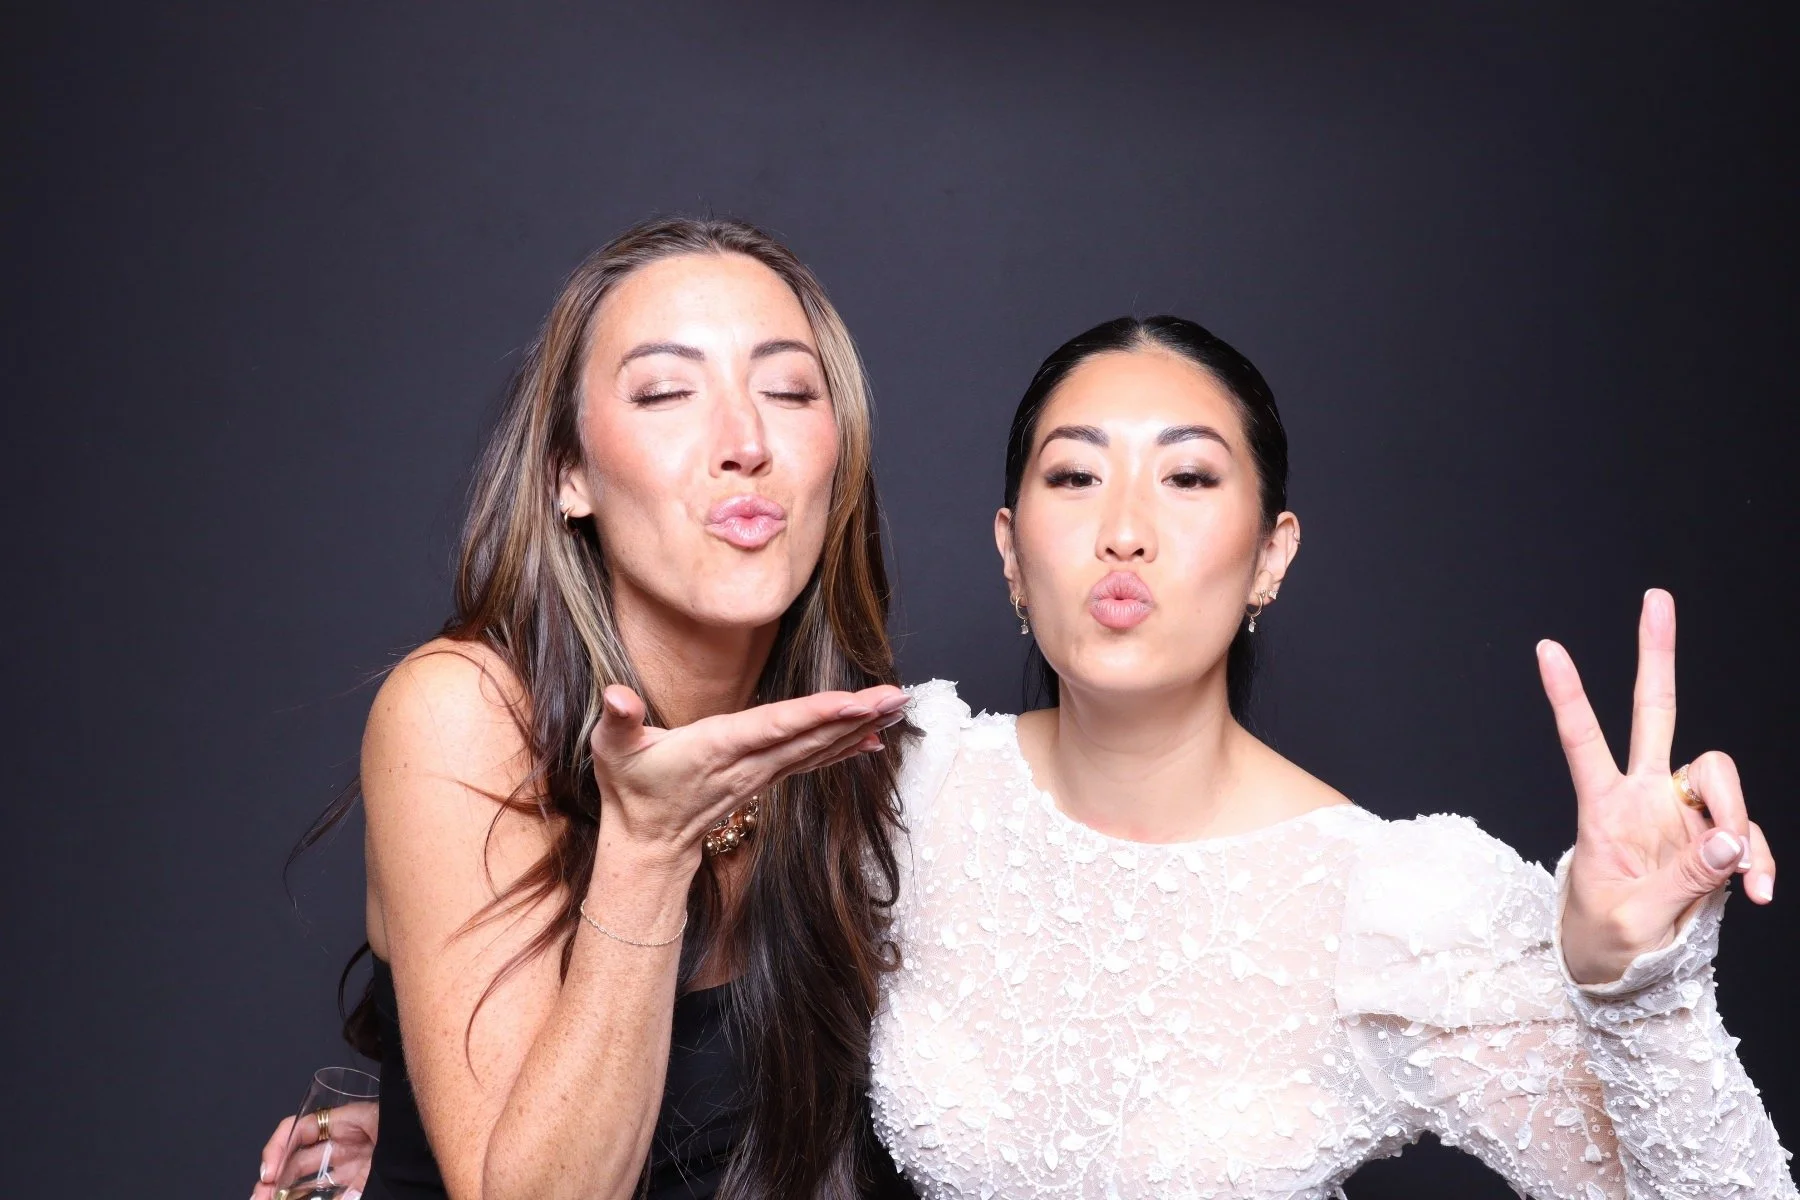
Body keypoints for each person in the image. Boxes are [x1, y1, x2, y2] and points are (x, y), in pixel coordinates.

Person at [865, 315, 1793, 1197]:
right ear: (1011, 550)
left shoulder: (1388, 908)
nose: (1125, 530)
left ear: (1271, 557)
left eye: (1188, 477)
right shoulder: (911, 792)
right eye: (1075, 476)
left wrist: (1639, 991)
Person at [255, 216, 924, 1200]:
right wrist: (648, 849)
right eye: (665, 393)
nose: (745, 443)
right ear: (569, 475)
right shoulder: (465, 710)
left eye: (789, 390)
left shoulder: (866, 747)